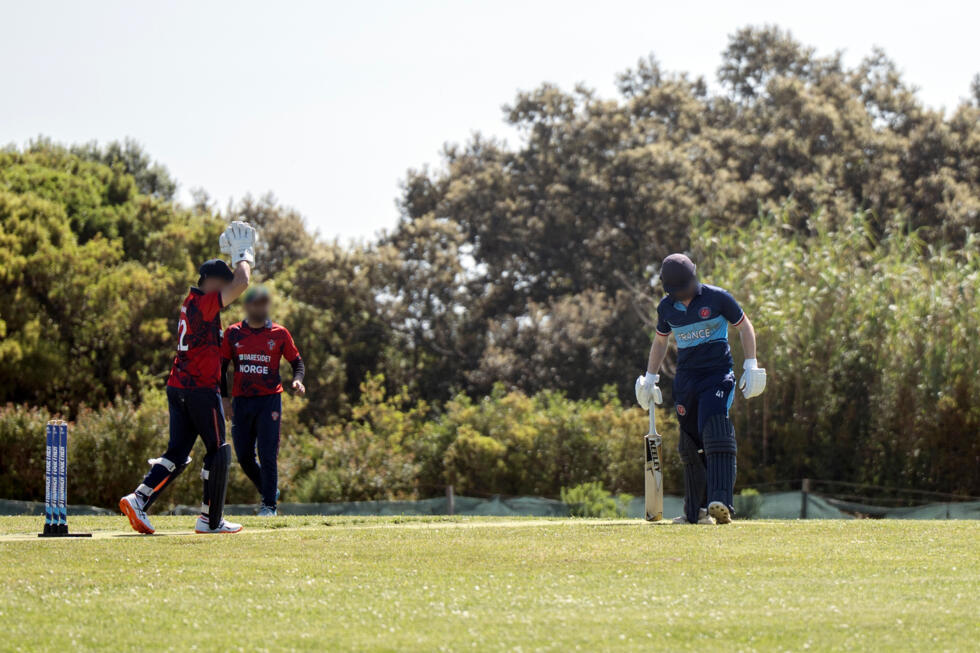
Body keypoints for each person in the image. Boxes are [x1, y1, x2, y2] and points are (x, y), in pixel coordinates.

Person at [119, 221, 258, 534]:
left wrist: (223, 395)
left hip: (179, 386)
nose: (226, 289)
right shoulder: (203, 304)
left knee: (178, 453)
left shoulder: (191, 303)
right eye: (221, 283)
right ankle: (210, 521)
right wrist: (243, 255)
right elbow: (242, 283)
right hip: (197, 390)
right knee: (219, 451)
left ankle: (138, 498)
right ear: (208, 281)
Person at [634, 253, 766, 525]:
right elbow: (660, 343)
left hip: (717, 375)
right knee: (689, 441)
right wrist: (650, 377)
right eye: (678, 290)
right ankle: (695, 512)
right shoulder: (666, 308)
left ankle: (720, 502)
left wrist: (751, 363)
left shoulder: (718, 298)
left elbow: (744, 326)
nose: (684, 294)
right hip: (686, 379)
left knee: (714, 427)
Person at [220, 286, 305, 516]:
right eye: (256, 303)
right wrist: (225, 399)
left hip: (269, 401)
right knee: (244, 456)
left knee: (268, 453)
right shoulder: (233, 333)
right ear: (248, 306)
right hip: (241, 402)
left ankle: (269, 505)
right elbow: (221, 367)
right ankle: (270, 490)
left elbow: (297, 363)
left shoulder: (280, 333)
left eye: (264, 303)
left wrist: (298, 381)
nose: (261, 308)